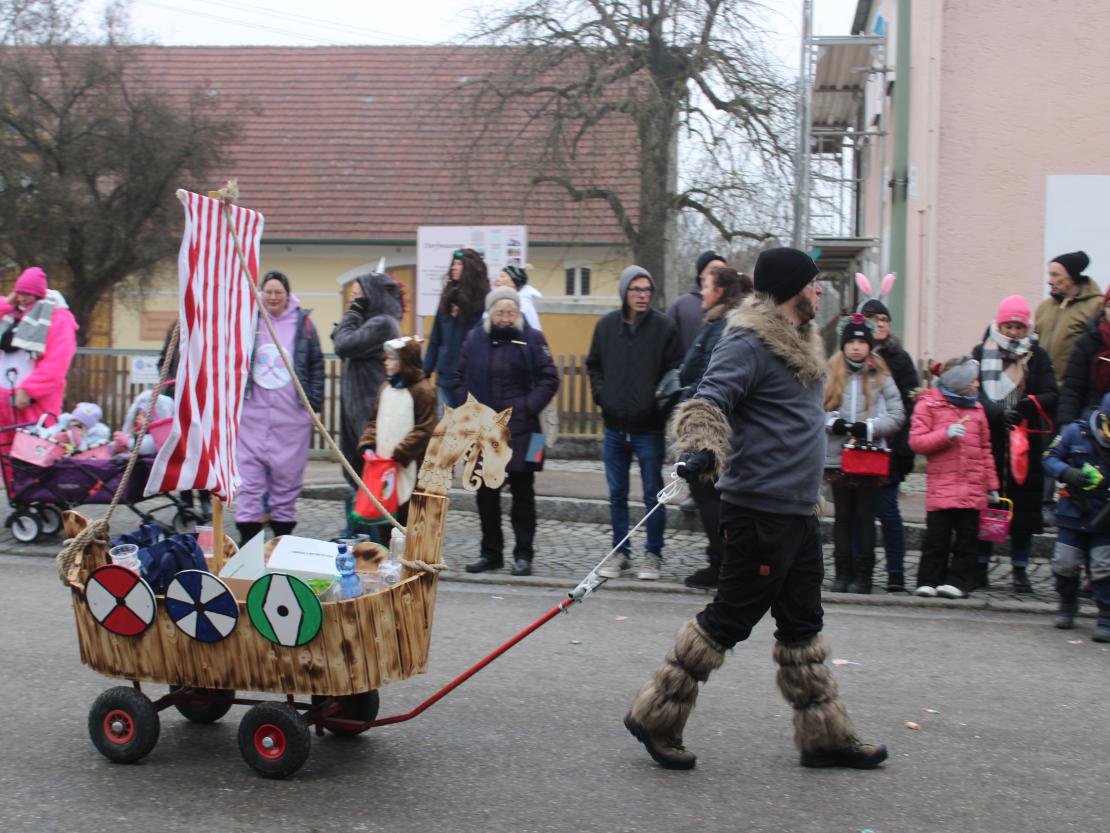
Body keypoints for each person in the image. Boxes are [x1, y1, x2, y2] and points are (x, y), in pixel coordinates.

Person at [623, 247, 888, 772]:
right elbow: (706, 400)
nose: (819, 293)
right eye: (813, 284)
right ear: (793, 288)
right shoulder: (748, 340)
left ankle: (824, 735)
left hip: (799, 511)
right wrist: (699, 447)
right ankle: (656, 716)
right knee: (729, 620)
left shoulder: (803, 343)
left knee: (802, 625)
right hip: (758, 511)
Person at [587, 266, 682, 581]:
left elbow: (675, 372)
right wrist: (603, 395)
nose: (642, 295)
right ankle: (620, 552)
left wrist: (660, 405)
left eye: (646, 290)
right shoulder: (606, 327)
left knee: (653, 494)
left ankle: (653, 554)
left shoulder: (664, 328)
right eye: (635, 289)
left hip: (649, 428)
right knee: (617, 494)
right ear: (624, 292)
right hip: (614, 426)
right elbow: (594, 365)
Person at [455, 287, 558, 576]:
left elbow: (549, 378)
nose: (505, 317)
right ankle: (491, 554)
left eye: (510, 312)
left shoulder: (533, 339)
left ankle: (523, 555)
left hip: (526, 428)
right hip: (483, 430)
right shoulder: (474, 339)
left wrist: (527, 407)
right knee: (486, 495)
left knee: (524, 494)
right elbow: (458, 377)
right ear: (491, 313)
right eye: (500, 312)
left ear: (518, 313)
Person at [971, 295, 1057, 592]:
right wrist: (997, 412)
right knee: (990, 505)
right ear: (999, 324)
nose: (1012, 332)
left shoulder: (1038, 356)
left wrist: (1025, 408)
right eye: (1008, 326)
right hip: (990, 440)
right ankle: (982, 564)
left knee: (1024, 510)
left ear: (1026, 328)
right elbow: (974, 391)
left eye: (1018, 327)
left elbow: (1050, 393)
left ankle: (1020, 569)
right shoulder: (982, 352)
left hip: (1025, 443)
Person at [676, 266, 752, 589]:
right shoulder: (724, 323)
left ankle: (722, 564)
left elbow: (702, 371)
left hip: (712, 423)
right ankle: (723, 561)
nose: (702, 291)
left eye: (705, 285)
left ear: (720, 291)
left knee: (710, 493)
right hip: (716, 419)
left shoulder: (722, 326)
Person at [234, 271, 324, 544]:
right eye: (268, 292)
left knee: (287, 479)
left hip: (290, 416)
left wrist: (314, 402)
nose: (273, 297)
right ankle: (249, 543)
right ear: (261, 293)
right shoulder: (249, 321)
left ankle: (282, 541)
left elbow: (316, 365)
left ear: (287, 295)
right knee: (249, 479)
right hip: (253, 414)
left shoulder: (303, 324)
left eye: (278, 292)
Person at [824, 314, 905, 594]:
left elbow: (896, 414)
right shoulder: (831, 372)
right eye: (851, 342)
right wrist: (832, 422)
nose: (856, 347)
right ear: (843, 345)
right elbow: (814, 408)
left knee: (866, 515)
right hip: (837, 455)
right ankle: (842, 572)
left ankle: (864, 575)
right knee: (843, 516)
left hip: (868, 456)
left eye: (862, 342)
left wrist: (868, 428)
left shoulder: (881, 376)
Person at [908, 357, 999, 599]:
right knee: (937, 538)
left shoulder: (977, 409)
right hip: (943, 487)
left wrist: (992, 485)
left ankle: (958, 581)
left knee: (967, 539)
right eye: (973, 380)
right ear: (959, 381)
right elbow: (917, 441)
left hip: (973, 487)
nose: (977, 385)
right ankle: (929, 579)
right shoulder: (929, 404)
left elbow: (984, 449)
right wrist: (945, 435)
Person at [858, 281, 919, 592]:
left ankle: (896, 572)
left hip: (891, 448)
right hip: (859, 447)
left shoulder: (900, 359)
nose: (880, 325)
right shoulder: (852, 356)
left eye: (884, 320)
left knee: (888, 510)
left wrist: (903, 448)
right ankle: (861, 572)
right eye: (874, 319)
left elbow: (909, 406)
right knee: (860, 512)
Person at [332, 272, 404, 530]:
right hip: (355, 409)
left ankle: (371, 532)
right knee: (354, 471)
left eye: (358, 294)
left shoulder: (383, 323)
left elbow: (342, 344)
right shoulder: (370, 321)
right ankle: (358, 529)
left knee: (370, 473)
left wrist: (352, 312)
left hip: (370, 410)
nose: (354, 299)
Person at [1041, 392, 1110, 642]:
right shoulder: (1074, 432)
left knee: (1104, 566)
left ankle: (1106, 615)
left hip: (1105, 517)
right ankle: (1067, 603)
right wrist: (1067, 473)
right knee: (1065, 563)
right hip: (1073, 511)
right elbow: (1049, 458)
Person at [356, 336, 438, 532]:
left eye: (392, 359)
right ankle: (387, 554)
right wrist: (368, 443)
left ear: (406, 361)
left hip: (408, 465)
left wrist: (400, 452)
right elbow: (375, 420)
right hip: (384, 466)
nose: (387, 363)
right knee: (385, 513)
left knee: (408, 515)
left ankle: (410, 557)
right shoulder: (386, 388)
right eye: (386, 359)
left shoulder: (422, 391)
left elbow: (424, 428)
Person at [0, 267, 79, 451]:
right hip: (3, 403)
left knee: (29, 466)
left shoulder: (57, 319)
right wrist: (8, 303)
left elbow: (56, 363)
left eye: (27, 293)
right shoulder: (11, 315)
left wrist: (30, 391)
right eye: (20, 293)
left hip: (31, 406)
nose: (22, 298)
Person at [424, 248, 489, 412]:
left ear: (470, 269)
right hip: (444, 376)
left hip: (467, 379)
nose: (453, 267)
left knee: (465, 430)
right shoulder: (447, 297)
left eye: (459, 264)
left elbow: (481, 343)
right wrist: (426, 370)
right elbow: (435, 338)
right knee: (444, 429)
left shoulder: (482, 302)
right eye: (453, 263)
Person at [1034, 251, 1101, 389]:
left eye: (1055, 275)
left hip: (1077, 391)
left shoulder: (1096, 305)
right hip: (1044, 392)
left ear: (1072, 277)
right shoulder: (1044, 307)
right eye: (1049, 274)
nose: (1049, 281)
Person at [1056, 287, 1110, 426]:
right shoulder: (1088, 341)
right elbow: (1073, 388)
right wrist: (1065, 424)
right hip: (1092, 420)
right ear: (1104, 308)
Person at [668, 250, 727, 354]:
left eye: (723, 271)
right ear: (701, 274)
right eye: (713, 271)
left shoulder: (733, 307)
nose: (719, 275)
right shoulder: (680, 306)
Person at [494, 264, 542, 330]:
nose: (497, 280)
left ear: (514, 281)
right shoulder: (506, 300)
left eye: (502, 276)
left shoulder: (522, 304)